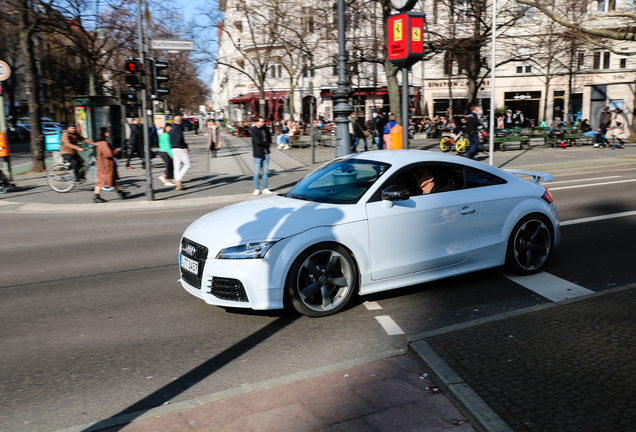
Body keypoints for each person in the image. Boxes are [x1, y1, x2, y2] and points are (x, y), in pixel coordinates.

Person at [93, 127, 129, 203]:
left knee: (110, 179)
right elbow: (108, 154)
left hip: (103, 164)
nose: (109, 133)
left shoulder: (100, 142)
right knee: (102, 181)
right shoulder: (104, 143)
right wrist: (116, 151)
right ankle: (96, 196)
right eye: (107, 132)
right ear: (104, 133)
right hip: (106, 165)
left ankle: (120, 193)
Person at [251, 116, 272, 195]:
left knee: (265, 172)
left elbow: (269, 137)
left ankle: (265, 188)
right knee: (256, 172)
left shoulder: (265, 129)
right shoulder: (254, 130)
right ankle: (256, 188)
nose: (263, 123)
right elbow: (257, 141)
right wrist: (267, 144)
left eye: (264, 121)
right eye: (262, 121)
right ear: (257, 121)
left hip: (266, 152)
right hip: (258, 153)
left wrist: (269, 143)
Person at [169, 115, 190, 190]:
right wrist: (186, 146)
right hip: (179, 148)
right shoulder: (178, 128)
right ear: (179, 121)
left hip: (173, 148)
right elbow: (179, 138)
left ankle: (178, 185)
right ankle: (178, 179)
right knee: (187, 164)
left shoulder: (172, 128)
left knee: (176, 165)